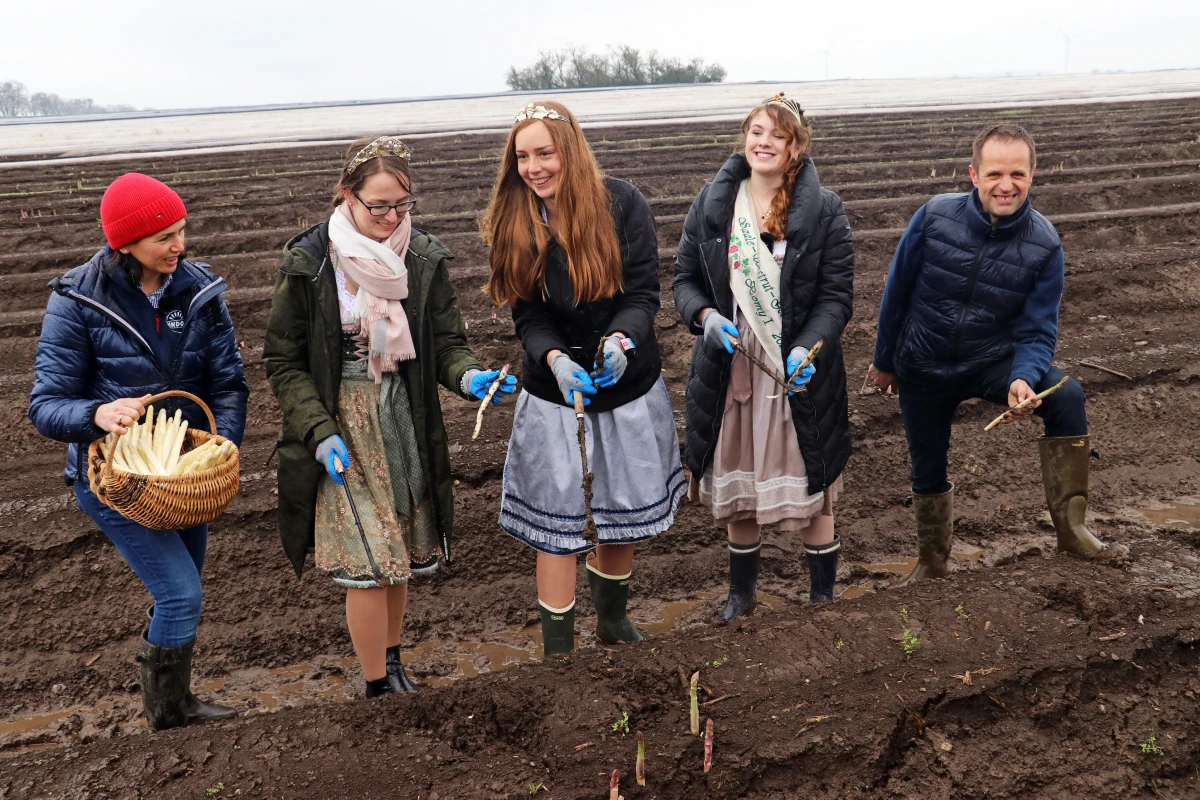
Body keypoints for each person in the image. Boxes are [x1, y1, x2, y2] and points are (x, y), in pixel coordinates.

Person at [264, 135, 515, 698]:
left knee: (398, 549)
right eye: (378, 205)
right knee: (372, 555)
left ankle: (392, 663)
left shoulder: (421, 258)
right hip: (342, 425)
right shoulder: (309, 263)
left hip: (403, 416)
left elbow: (445, 344)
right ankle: (377, 686)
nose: (391, 216)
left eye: (402, 205)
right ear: (347, 196)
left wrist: (470, 377)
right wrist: (318, 431)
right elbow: (283, 362)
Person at [28, 173, 249, 731]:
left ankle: (175, 699)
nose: (179, 246)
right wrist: (96, 415)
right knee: (180, 593)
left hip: (181, 474)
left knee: (185, 591)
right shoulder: (77, 300)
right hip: (115, 478)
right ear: (124, 243)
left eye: (181, 231)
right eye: (163, 238)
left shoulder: (197, 290)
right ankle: (169, 716)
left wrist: (224, 441)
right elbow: (46, 405)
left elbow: (228, 382)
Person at [482, 101, 684, 658]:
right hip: (553, 392)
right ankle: (559, 653)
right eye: (522, 156)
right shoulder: (515, 217)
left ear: (569, 151)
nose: (533, 167)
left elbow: (643, 294)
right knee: (558, 524)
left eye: (544, 153)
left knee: (620, 510)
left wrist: (621, 342)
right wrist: (554, 361)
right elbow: (528, 313)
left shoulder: (623, 204)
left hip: (626, 385)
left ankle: (612, 622)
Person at [867, 122, 1103, 585]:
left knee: (1067, 395)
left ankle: (1072, 531)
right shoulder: (934, 216)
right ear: (973, 175)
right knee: (927, 463)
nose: (1006, 185)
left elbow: (1038, 328)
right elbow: (897, 291)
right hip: (925, 362)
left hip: (990, 361)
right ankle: (932, 562)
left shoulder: (1045, 243)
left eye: (1017, 174)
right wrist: (884, 360)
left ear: (1033, 176)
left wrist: (1023, 378)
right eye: (995, 173)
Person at [673, 93, 855, 617]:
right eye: (756, 131)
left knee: (812, 479)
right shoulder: (712, 203)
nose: (764, 142)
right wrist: (705, 319)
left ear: (795, 147)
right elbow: (685, 281)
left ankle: (822, 596)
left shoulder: (825, 209)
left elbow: (836, 298)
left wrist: (808, 346)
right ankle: (741, 596)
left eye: (777, 134)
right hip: (733, 365)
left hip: (798, 366)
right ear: (745, 139)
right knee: (742, 478)